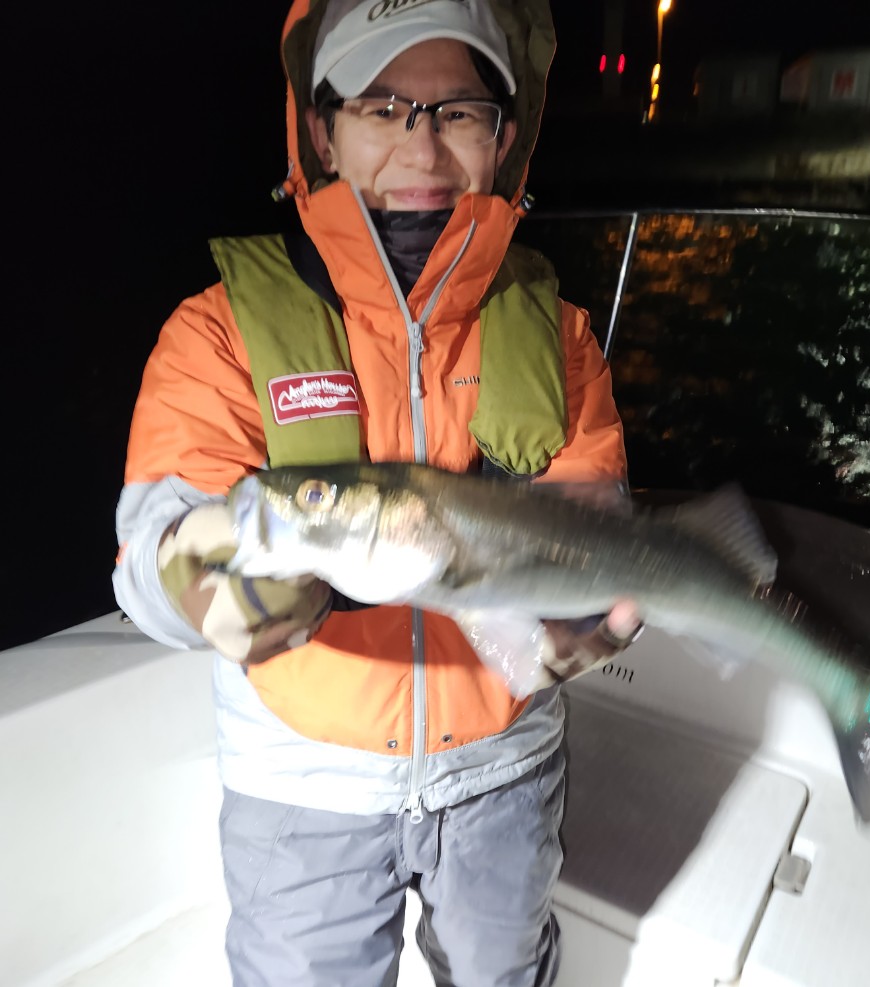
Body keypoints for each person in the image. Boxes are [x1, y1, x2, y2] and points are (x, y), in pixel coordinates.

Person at [113, 1, 640, 984]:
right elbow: (151, 564)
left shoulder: (558, 333)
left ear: (505, 137)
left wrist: (585, 617)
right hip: (299, 783)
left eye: (459, 112)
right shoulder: (218, 329)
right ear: (321, 130)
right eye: (381, 106)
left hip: (507, 771)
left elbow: (594, 524)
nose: (421, 147)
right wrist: (210, 579)